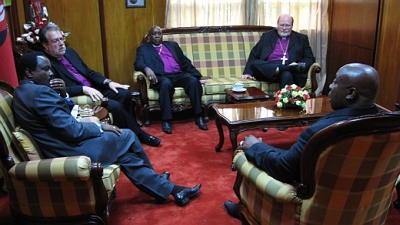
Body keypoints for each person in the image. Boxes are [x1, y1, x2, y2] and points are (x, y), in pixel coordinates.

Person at [13, 51, 201, 206]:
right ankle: (162, 183)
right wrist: (99, 126)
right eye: (45, 70)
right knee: (126, 135)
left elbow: (63, 118)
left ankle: (169, 190)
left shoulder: (21, 91)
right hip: (68, 150)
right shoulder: (40, 93)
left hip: (60, 144)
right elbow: (73, 131)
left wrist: (63, 95)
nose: (51, 73)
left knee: (125, 155)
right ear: (29, 73)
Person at [224, 63, 381, 219]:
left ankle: (244, 208)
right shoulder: (390, 126)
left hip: (317, 207)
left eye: (335, 82)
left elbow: (284, 169)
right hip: (366, 203)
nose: (331, 87)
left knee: (246, 152)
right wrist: (263, 147)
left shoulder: (323, 132)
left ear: (351, 93)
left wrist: (255, 147)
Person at [37, 23, 161, 147]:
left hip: (95, 87)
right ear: (45, 45)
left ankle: (125, 133)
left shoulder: (69, 52)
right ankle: (137, 135)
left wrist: (108, 82)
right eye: (55, 41)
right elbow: (55, 89)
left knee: (124, 94)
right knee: (115, 106)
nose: (61, 43)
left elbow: (88, 71)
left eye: (61, 39)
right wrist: (83, 89)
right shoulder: (45, 64)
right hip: (82, 94)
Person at [134, 25, 210, 134]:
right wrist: (147, 69)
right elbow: (138, 63)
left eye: (159, 34)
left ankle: (199, 116)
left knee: (193, 81)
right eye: (153, 34)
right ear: (149, 36)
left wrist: (198, 76)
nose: (157, 36)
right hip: (162, 76)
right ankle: (166, 120)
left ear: (162, 35)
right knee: (165, 84)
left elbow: (185, 62)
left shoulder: (172, 45)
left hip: (179, 74)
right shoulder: (143, 49)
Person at [241, 14, 316, 89]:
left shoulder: (301, 39)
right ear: (277, 25)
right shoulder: (267, 36)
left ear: (292, 26)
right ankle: (285, 68)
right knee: (254, 63)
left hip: (290, 71)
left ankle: (282, 99)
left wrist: (297, 64)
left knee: (287, 74)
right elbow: (255, 54)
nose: (284, 28)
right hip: (268, 70)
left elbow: (310, 58)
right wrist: (248, 73)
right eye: (281, 25)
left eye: (287, 25)